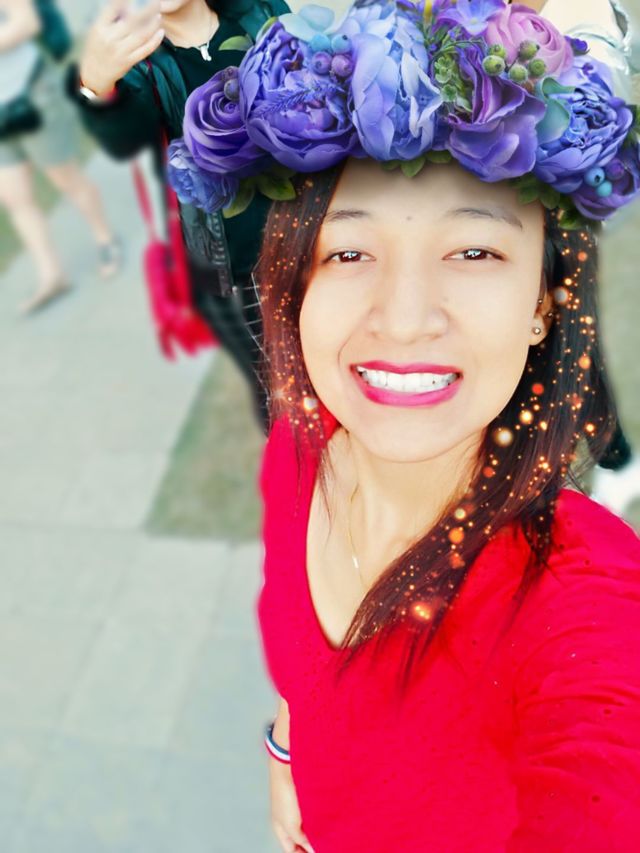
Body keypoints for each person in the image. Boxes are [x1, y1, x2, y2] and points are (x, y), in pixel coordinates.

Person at [167, 0, 640, 849]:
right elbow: (308, 666)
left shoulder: (584, 595)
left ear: (542, 303)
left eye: (475, 251)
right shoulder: (300, 449)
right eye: (349, 251)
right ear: (295, 284)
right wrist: (288, 747)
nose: (407, 318)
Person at [70, 0, 290, 425]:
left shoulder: (259, 12)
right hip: (231, 272)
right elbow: (126, 139)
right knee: (278, 398)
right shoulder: (136, 66)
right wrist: (96, 87)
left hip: (307, 242)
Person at [0, 0, 121, 315]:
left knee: (66, 179)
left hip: (32, 93)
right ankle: (52, 275)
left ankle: (106, 239)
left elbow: (27, 22)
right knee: (15, 198)